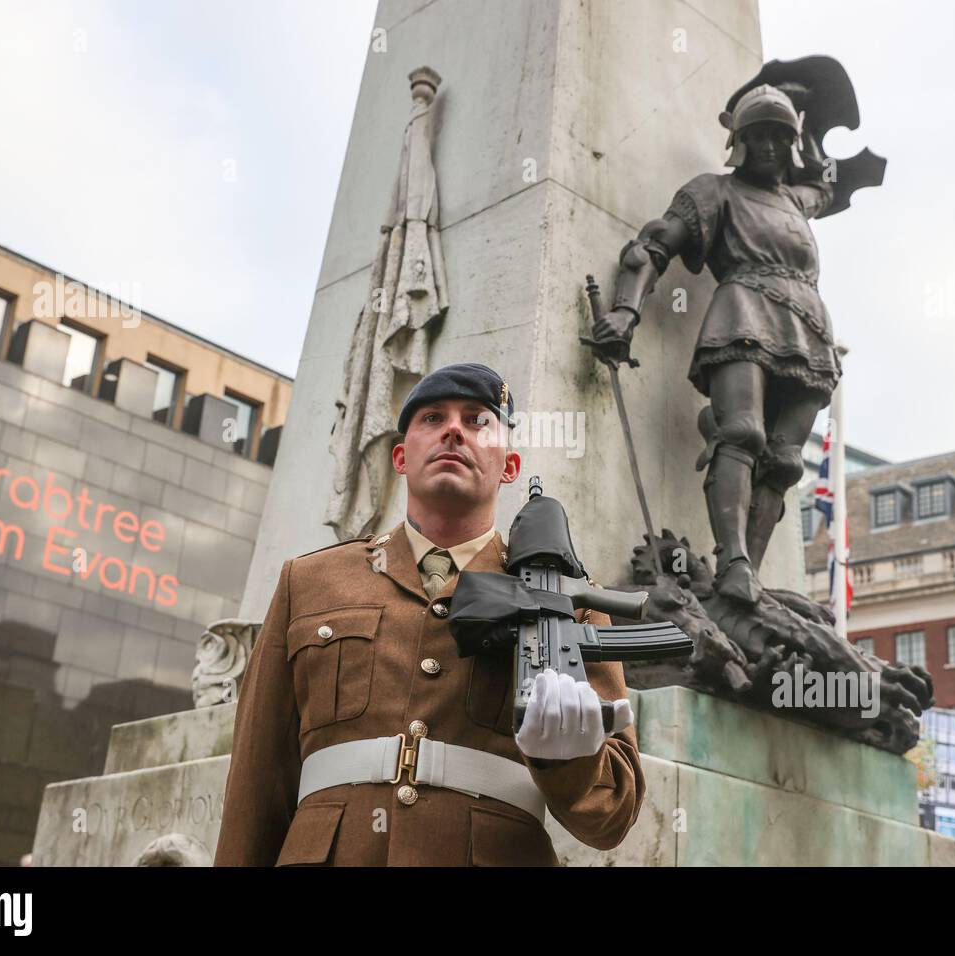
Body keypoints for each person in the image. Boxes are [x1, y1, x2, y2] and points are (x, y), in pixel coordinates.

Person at [215, 363, 645, 866]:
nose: (454, 430)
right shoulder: (308, 583)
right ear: (400, 456)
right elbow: (255, 783)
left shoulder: (569, 600)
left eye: (478, 421)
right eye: (433, 418)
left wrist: (570, 755)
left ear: (509, 465)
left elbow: (611, 814)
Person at [590, 83, 838, 607]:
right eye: (759, 135)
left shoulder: (796, 200)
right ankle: (733, 562)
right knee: (741, 431)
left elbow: (824, 184)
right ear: (740, 141)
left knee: (786, 460)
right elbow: (652, 246)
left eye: (780, 136)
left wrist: (811, 122)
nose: (770, 146)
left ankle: (752, 578)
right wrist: (624, 312)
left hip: (809, 329)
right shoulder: (714, 191)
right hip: (743, 309)